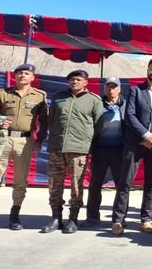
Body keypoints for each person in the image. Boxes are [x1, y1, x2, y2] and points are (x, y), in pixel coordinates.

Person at [0, 63, 48, 234]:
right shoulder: (3, 94)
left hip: (25, 141)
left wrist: (40, 141)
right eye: (20, 73)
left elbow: (45, 122)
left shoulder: (39, 96)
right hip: (2, 139)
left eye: (26, 73)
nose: (23, 76)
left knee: (20, 181)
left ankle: (15, 216)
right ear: (15, 76)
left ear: (32, 77)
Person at [111, 58, 152, 235]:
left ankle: (146, 220)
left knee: (151, 183)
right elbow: (129, 115)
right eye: (151, 69)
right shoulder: (135, 91)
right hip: (135, 142)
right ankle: (118, 220)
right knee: (125, 182)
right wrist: (145, 135)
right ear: (147, 70)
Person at [41, 69, 103, 234]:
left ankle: (73, 218)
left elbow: (99, 125)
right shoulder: (58, 97)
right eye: (71, 80)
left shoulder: (93, 100)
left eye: (77, 79)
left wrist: (85, 141)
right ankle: (56, 218)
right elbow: (51, 119)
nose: (74, 82)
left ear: (85, 82)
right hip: (57, 147)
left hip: (79, 149)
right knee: (54, 184)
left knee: (76, 185)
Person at [80, 77, 126, 228]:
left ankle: (118, 219)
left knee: (121, 185)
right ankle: (92, 217)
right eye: (109, 87)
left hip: (119, 150)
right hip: (100, 149)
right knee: (95, 185)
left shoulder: (126, 104)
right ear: (105, 89)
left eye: (114, 87)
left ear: (120, 89)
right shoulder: (98, 104)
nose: (111, 90)